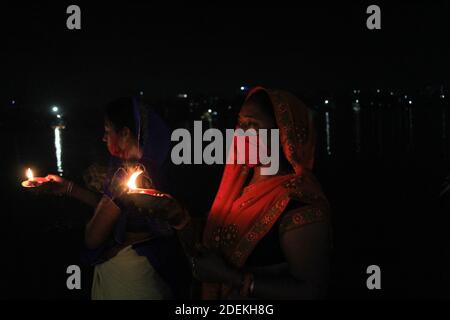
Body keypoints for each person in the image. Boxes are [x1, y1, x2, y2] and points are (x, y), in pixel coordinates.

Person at [39, 97, 190, 300]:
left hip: (133, 278)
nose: (103, 137)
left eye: (108, 130)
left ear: (125, 133)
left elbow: (94, 237)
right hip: (138, 272)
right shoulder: (144, 167)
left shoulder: (134, 174)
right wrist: (68, 188)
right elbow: (111, 209)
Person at [190, 87, 332, 299]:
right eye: (240, 124)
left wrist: (230, 277)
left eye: (253, 125)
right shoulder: (239, 187)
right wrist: (177, 218)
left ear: (283, 134)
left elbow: (312, 291)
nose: (241, 134)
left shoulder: (299, 202)